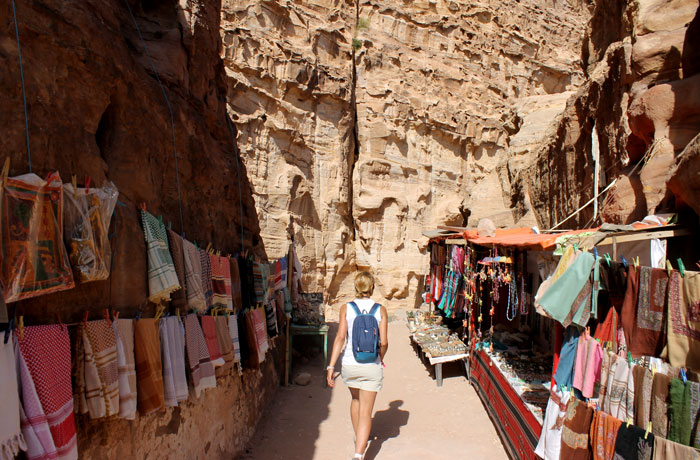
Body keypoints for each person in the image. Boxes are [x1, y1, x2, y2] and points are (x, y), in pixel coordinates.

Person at [327, 271, 389, 460]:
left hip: (349, 364)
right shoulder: (381, 309)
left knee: (355, 400)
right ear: (371, 287)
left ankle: (358, 438)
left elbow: (340, 338)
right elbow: (384, 342)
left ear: (356, 287)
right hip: (371, 365)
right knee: (366, 412)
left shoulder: (346, 308)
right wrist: (379, 357)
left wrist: (330, 367)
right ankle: (359, 454)